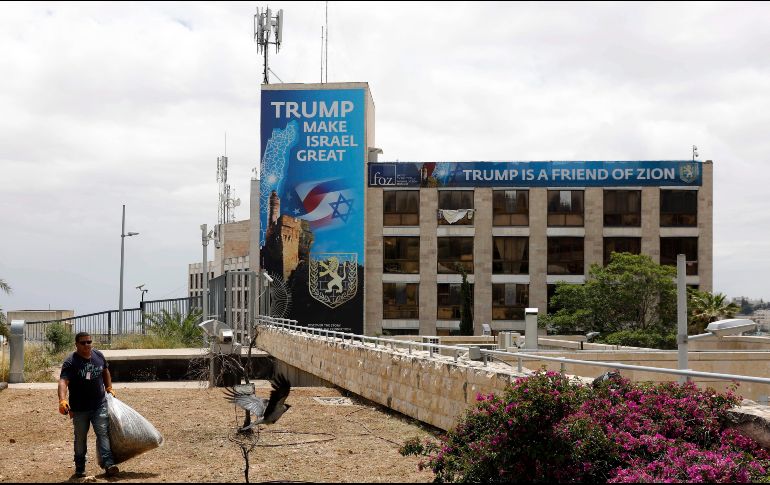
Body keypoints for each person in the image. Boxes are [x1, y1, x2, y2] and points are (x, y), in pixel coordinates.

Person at [57, 332, 119, 478]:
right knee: (80, 438)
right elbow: (63, 382)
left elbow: (105, 371)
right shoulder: (71, 362)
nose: (87, 345)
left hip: (99, 404)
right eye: (83, 343)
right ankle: (80, 467)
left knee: (103, 433)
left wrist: (109, 388)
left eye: (89, 342)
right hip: (79, 409)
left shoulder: (98, 356)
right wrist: (62, 400)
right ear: (76, 344)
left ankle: (109, 464)